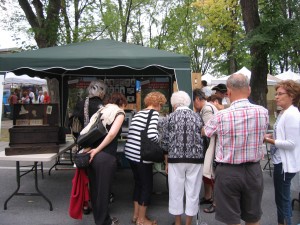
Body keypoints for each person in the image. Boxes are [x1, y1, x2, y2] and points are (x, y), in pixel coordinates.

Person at [202, 73, 269, 225]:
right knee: (253, 217)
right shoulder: (263, 112)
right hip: (253, 170)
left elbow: (206, 132)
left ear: (229, 92)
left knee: (231, 220)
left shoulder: (221, 116)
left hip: (228, 172)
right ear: (249, 90)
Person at [160, 91, 204, 225]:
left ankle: (178, 222)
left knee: (175, 191)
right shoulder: (197, 117)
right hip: (195, 158)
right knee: (193, 192)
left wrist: (166, 161)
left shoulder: (169, 118)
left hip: (175, 158)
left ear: (174, 104)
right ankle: (189, 223)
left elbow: (164, 142)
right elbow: (203, 136)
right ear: (187, 102)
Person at [124, 91, 167, 225]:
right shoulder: (153, 114)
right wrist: (161, 139)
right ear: (158, 104)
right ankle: (142, 220)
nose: (161, 107)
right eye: (161, 104)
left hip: (131, 154)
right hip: (142, 156)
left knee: (138, 184)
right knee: (147, 186)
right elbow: (152, 135)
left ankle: (136, 216)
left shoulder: (139, 113)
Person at [86, 92, 127, 225]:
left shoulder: (101, 111)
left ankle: (100, 220)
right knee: (104, 192)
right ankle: (104, 222)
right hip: (105, 156)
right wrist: (98, 150)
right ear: (121, 103)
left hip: (92, 155)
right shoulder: (119, 113)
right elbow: (112, 134)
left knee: (95, 191)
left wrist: (93, 149)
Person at [264, 80, 300, 225]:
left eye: (280, 94)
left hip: (284, 164)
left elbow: (291, 144)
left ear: (291, 95)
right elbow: (282, 135)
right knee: (280, 199)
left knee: (283, 199)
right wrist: (272, 137)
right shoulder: (284, 113)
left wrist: (270, 141)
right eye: (276, 93)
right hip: (280, 161)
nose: (276, 97)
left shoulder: (292, 114)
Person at [193, 88, 218, 214]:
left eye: (194, 102)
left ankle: (215, 202)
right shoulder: (207, 107)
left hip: (211, 145)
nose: (194, 105)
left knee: (211, 172)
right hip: (210, 144)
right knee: (207, 172)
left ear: (198, 99)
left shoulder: (207, 109)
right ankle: (208, 196)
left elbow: (209, 130)